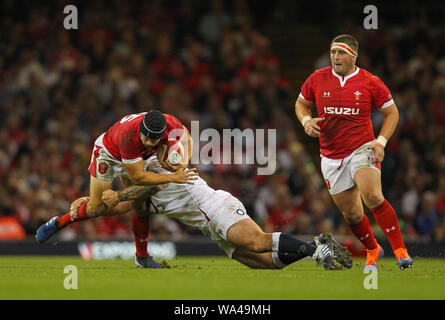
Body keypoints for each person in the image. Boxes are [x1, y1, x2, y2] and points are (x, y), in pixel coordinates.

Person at [95, 155, 352, 271]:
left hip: (217, 208)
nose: (123, 175)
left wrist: (117, 194)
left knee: (258, 241)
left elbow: (154, 185)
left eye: (125, 170)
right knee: (262, 263)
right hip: (210, 227)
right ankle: (315, 244)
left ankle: (319, 253)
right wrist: (88, 203)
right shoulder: (139, 195)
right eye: (121, 174)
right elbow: (119, 207)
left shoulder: (154, 165)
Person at [294, 34, 413, 270]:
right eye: (332, 52)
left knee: (372, 196)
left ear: (353, 56)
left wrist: (380, 142)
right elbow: (301, 103)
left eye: (341, 53)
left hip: (362, 147)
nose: (335, 57)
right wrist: (306, 120)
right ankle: (372, 249)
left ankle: (401, 252)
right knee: (353, 215)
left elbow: (392, 113)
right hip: (330, 155)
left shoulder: (370, 81)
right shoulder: (317, 78)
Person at [36, 110, 199, 267]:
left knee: (141, 207)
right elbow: (139, 177)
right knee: (96, 209)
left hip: (139, 157)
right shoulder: (129, 136)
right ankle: (59, 222)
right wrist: (172, 176)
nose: (148, 142)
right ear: (141, 130)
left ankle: (142, 258)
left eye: (153, 141)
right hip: (109, 154)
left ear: (162, 134)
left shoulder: (171, 124)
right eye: (146, 138)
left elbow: (187, 139)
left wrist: (183, 164)